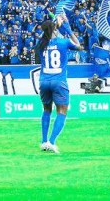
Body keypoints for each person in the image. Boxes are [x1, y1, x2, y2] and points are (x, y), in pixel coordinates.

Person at [35, 16, 83, 154]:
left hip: (44, 81)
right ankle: (52, 141)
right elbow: (79, 46)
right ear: (55, 29)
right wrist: (66, 27)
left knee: (46, 110)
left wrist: (55, 25)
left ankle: (44, 141)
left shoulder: (40, 44)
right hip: (59, 81)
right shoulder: (63, 42)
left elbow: (48, 35)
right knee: (62, 111)